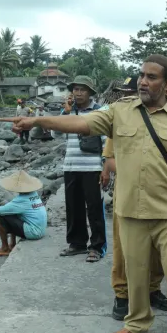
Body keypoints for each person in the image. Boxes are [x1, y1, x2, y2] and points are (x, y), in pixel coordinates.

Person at [1, 54, 167, 333]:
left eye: (152, 77)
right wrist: (39, 121)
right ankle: (137, 323)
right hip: (130, 210)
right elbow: (81, 123)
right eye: (141, 75)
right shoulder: (120, 112)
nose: (144, 82)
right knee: (135, 272)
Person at [100, 76, 167, 321]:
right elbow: (110, 159)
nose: (127, 98)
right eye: (123, 94)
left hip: (159, 193)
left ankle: (153, 289)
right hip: (129, 192)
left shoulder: (164, 118)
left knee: (157, 247)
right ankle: (122, 294)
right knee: (123, 247)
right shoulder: (119, 121)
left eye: (130, 94)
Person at [55, 75, 108, 262]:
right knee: (73, 206)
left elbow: (106, 141)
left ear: (90, 93)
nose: (78, 93)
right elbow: (56, 132)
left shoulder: (99, 112)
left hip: (92, 167)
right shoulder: (70, 111)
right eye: (75, 89)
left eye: (82, 89)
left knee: (94, 208)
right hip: (71, 166)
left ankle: (97, 246)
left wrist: (105, 167)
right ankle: (77, 243)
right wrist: (66, 112)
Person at [0, 170, 47, 256]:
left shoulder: (21, 200)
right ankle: (12, 244)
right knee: (14, 213)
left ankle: (4, 248)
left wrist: (8, 206)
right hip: (41, 230)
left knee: (1, 217)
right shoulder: (34, 194)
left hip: (34, 233)